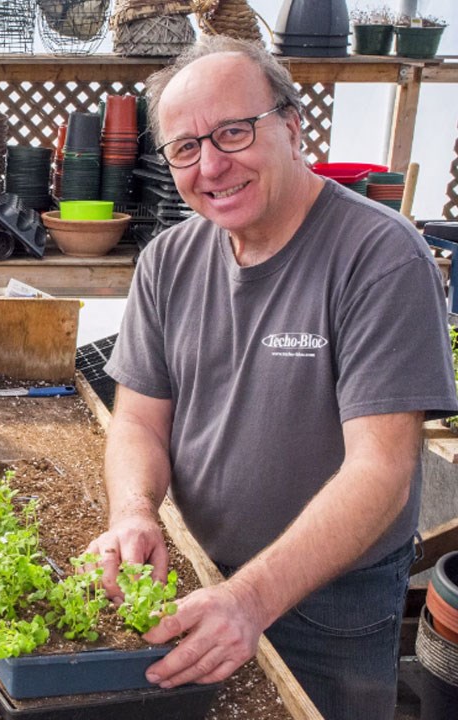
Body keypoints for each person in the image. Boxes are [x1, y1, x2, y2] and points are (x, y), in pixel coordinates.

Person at [87, 36, 458, 719]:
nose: (212, 165)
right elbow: (138, 419)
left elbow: (381, 471)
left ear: (292, 127)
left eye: (233, 132)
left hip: (330, 607)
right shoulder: (168, 259)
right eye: (185, 147)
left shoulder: (380, 258)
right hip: (200, 570)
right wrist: (134, 511)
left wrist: (251, 599)